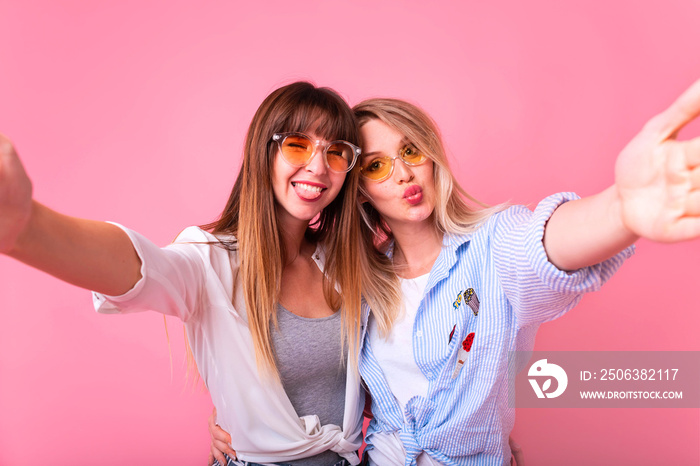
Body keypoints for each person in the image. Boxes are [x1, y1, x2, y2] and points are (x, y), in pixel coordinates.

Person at [209, 79, 700, 465]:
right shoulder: (357, 282)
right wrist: (237, 418)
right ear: (358, 190)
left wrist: (620, 210)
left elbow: (544, 245)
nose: (402, 174)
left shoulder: (492, 244)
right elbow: (311, 368)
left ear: (431, 156)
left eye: (410, 152)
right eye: (377, 167)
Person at [0, 81, 384, 465]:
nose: (318, 167)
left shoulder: (343, 263)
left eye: (336, 153)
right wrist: (28, 228)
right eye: (298, 145)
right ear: (264, 151)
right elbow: (141, 267)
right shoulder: (210, 260)